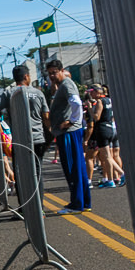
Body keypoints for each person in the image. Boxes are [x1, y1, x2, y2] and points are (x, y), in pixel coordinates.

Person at [0, 65, 51, 201]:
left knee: (20, 175)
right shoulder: (38, 93)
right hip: (38, 139)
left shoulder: (9, 93)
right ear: (26, 76)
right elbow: (46, 117)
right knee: (37, 174)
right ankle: (40, 209)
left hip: (20, 141)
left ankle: (23, 208)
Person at [46, 60, 90, 213]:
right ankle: (84, 202)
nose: (52, 76)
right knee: (78, 168)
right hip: (68, 132)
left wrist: (71, 122)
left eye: (54, 72)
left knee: (72, 168)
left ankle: (77, 204)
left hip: (69, 133)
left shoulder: (66, 84)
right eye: (49, 73)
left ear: (62, 71)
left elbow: (77, 103)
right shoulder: (61, 86)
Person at [89, 85, 124, 187]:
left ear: (98, 92)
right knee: (109, 155)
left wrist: (90, 109)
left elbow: (96, 117)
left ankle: (115, 177)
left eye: (92, 92)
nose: (91, 94)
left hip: (102, 129)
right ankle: (114, 177)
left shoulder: (100, 101)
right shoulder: (109, 100)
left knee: (107, 156)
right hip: (111, 128)